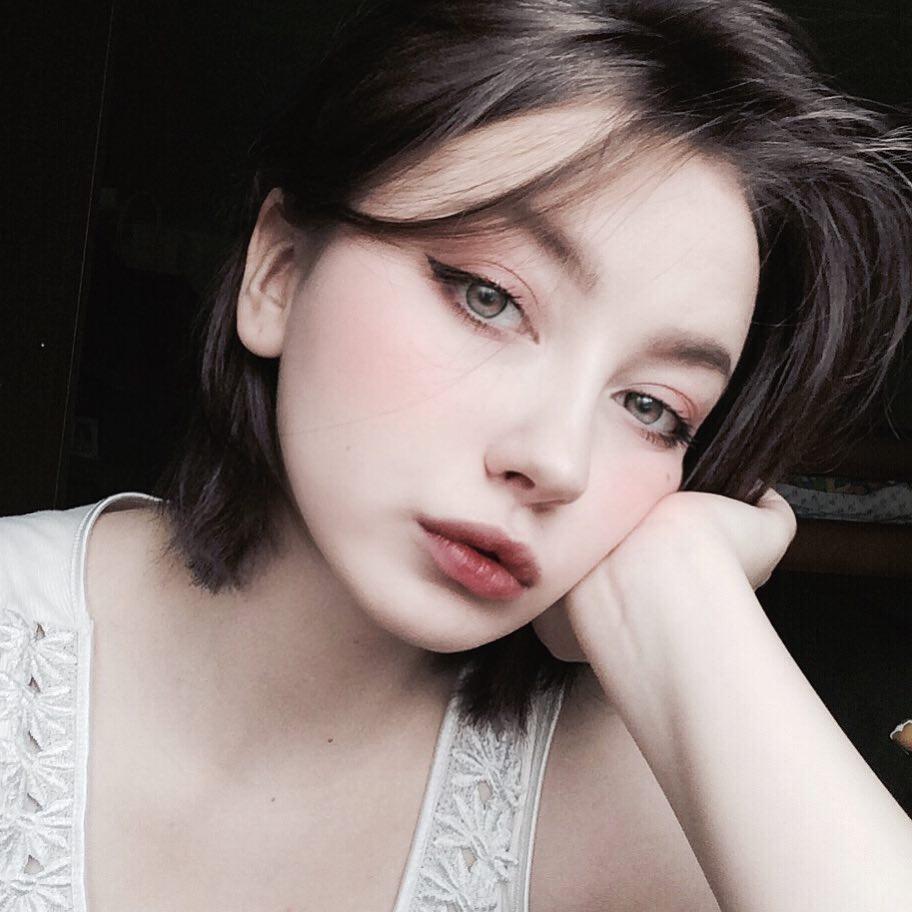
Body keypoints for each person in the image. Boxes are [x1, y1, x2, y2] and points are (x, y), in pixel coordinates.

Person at [2, 1, 911, 909]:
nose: (556, 462)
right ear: (278, 273)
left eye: (652, 408)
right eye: (488, 297)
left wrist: (683, 595)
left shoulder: (623, 809)